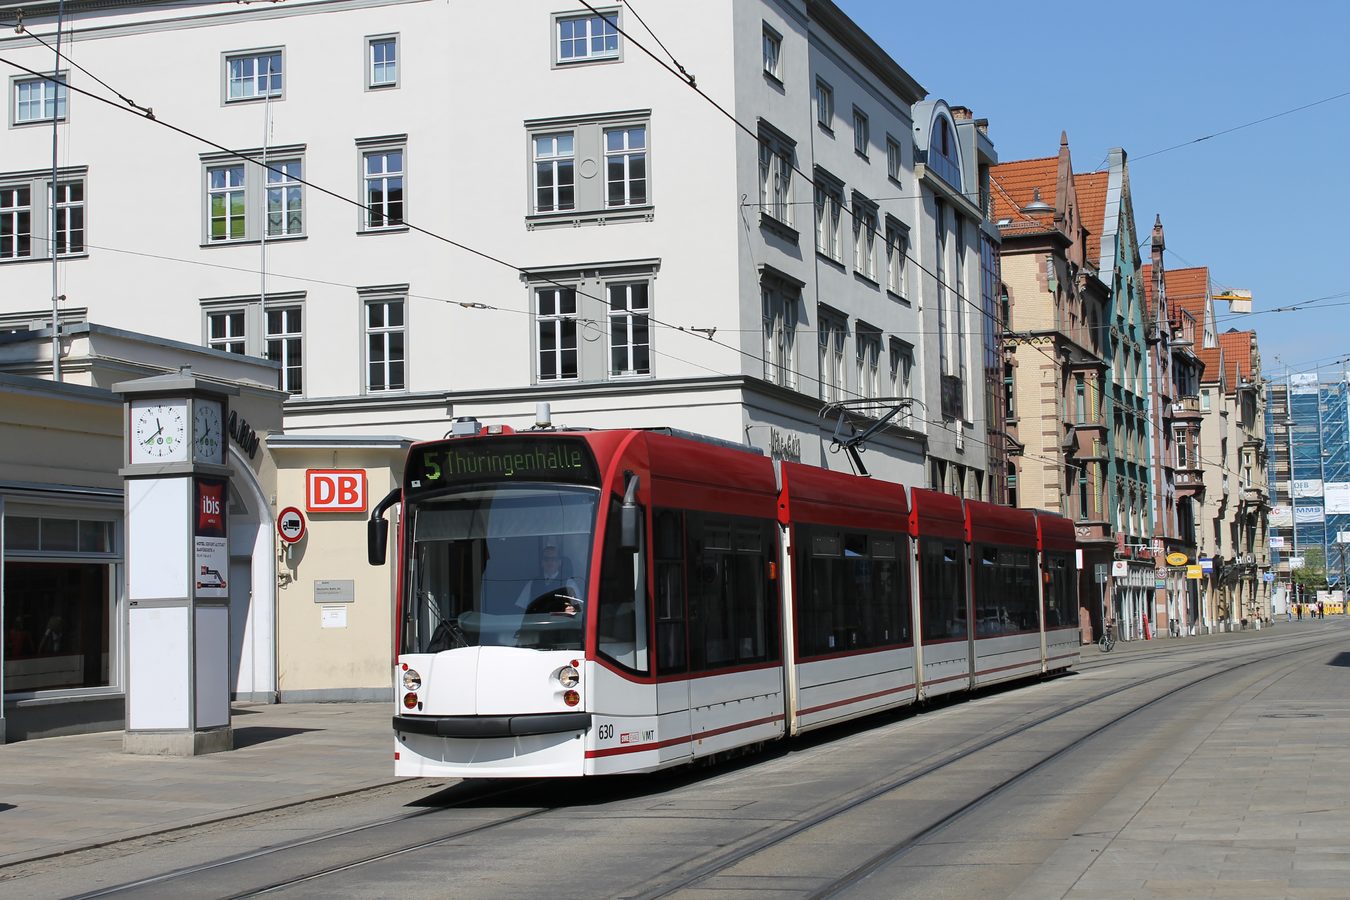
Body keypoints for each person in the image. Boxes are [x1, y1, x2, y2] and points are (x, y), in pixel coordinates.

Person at [518, 543, 581, 615]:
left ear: (559, 562)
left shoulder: (569, 584)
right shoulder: (532, 583)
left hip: (561, 624)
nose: (549, 562)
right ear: (542, 562)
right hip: (536, 624)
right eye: (546, 559)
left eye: (553, 559)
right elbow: (521, 608)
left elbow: (577, 609)